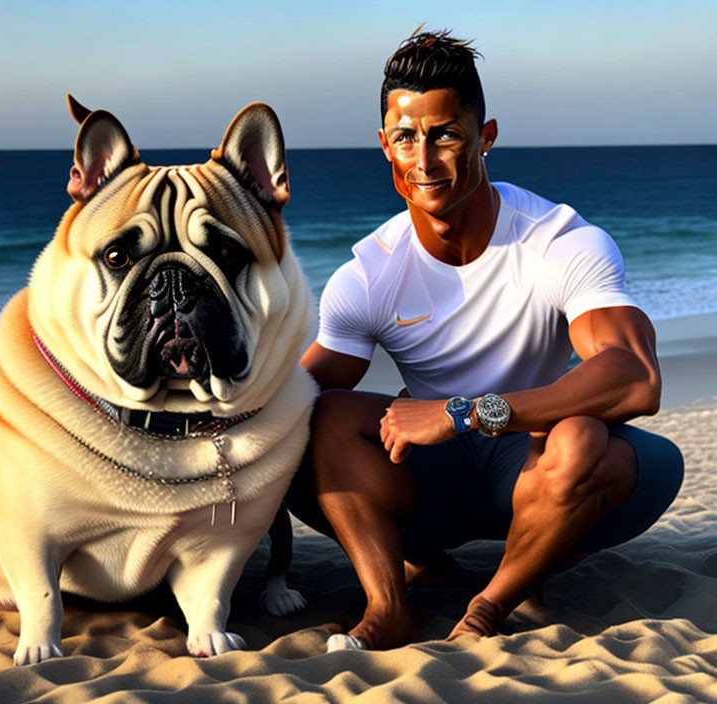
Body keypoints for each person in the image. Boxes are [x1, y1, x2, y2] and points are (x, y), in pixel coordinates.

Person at [288, 26, 684, 651]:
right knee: (326, 418)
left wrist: (465, 413)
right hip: (430, 482)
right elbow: (297, 396)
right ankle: (389, 605)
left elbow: (635, 376)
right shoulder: (370, 271)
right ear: (385, 145)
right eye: (406, 138)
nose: (425, 161)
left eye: (445, 134)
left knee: (583, 435)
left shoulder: (557, 240)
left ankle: (490, 605)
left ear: (486, 136)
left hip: (535, 466)